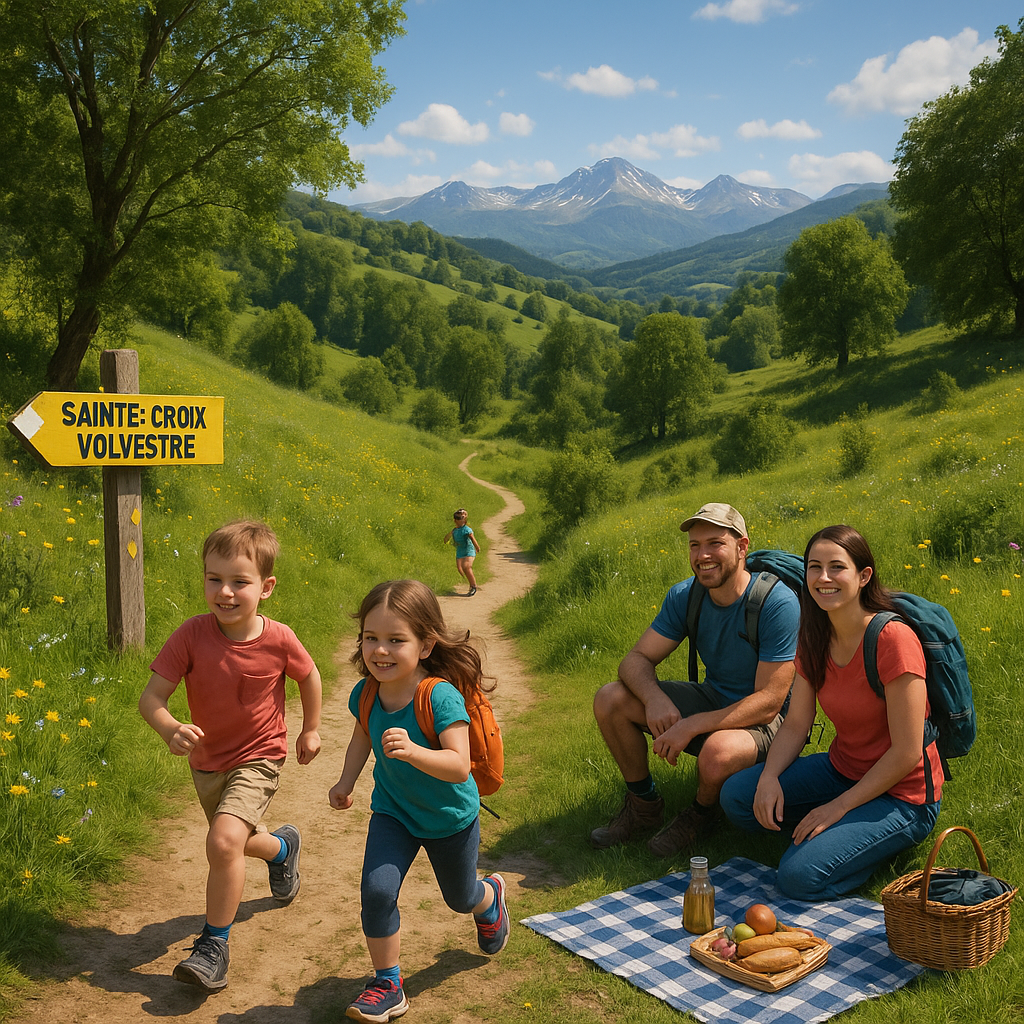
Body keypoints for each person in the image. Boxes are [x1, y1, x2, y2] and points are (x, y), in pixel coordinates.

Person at [139, 521, 322, 991]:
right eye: (213, 579)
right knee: (236, 843)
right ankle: (283, 849)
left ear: (266, 587)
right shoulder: (191, 635)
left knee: (222, 843)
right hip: (207, 762)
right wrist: (170, 728)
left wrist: (311, 729)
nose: (224, 592)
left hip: (260, 756)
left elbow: (309, 676)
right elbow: (151, 700)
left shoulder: (279, 638)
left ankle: (212, 946)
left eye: (239, 582)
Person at [720, 525, 942, 900]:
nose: (823, 578)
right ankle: (834, 837)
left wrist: (837, 809)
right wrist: (771, 776)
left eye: (836, 567)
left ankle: (871, 846)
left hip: (904, 795)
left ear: (863, 575)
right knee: (739, 797)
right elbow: (795, 723)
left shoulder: (893, 640)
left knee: (796, 878)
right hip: (842, 771)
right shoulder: (815, 634)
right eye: (814, 567)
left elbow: (906, 753)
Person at [329, 579, 509, 1023]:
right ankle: (387, 983)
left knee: (459, 896)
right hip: (394, 812)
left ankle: (488, 898)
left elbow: (458, 764)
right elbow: (360, 736)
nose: (380, 651)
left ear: (426, 645)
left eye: (396, 640)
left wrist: (412, 751)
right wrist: (346, 781)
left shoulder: (440, 696)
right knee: (376, 891)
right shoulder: (366, 693)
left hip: (449, 817)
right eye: (371, 638)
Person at [591, 503, 799, 858]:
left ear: (742, 546)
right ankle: (643, 805)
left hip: (773, 723)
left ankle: (700, 815)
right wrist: (655, 698)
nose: (703, 555)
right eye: (694, 545)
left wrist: (692, 725)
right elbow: (635, 660)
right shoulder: (686, 596)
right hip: (715, 696)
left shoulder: (775, 603)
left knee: (719, 752)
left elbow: (769, 702)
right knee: (610, 699)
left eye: (715, 543)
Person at [443, 508, 481, 596]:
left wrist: (477, 547)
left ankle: (473, 586)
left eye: (463, 518)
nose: (461, 520)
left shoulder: (466, 529)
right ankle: (470, 584)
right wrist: (448, 536)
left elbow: (472, 538)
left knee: (466, 566)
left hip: (469, 550)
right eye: (459, 519)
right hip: (460, 551)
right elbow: (446, 539)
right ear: (455, 520)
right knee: (460, 569)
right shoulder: (455, 530)